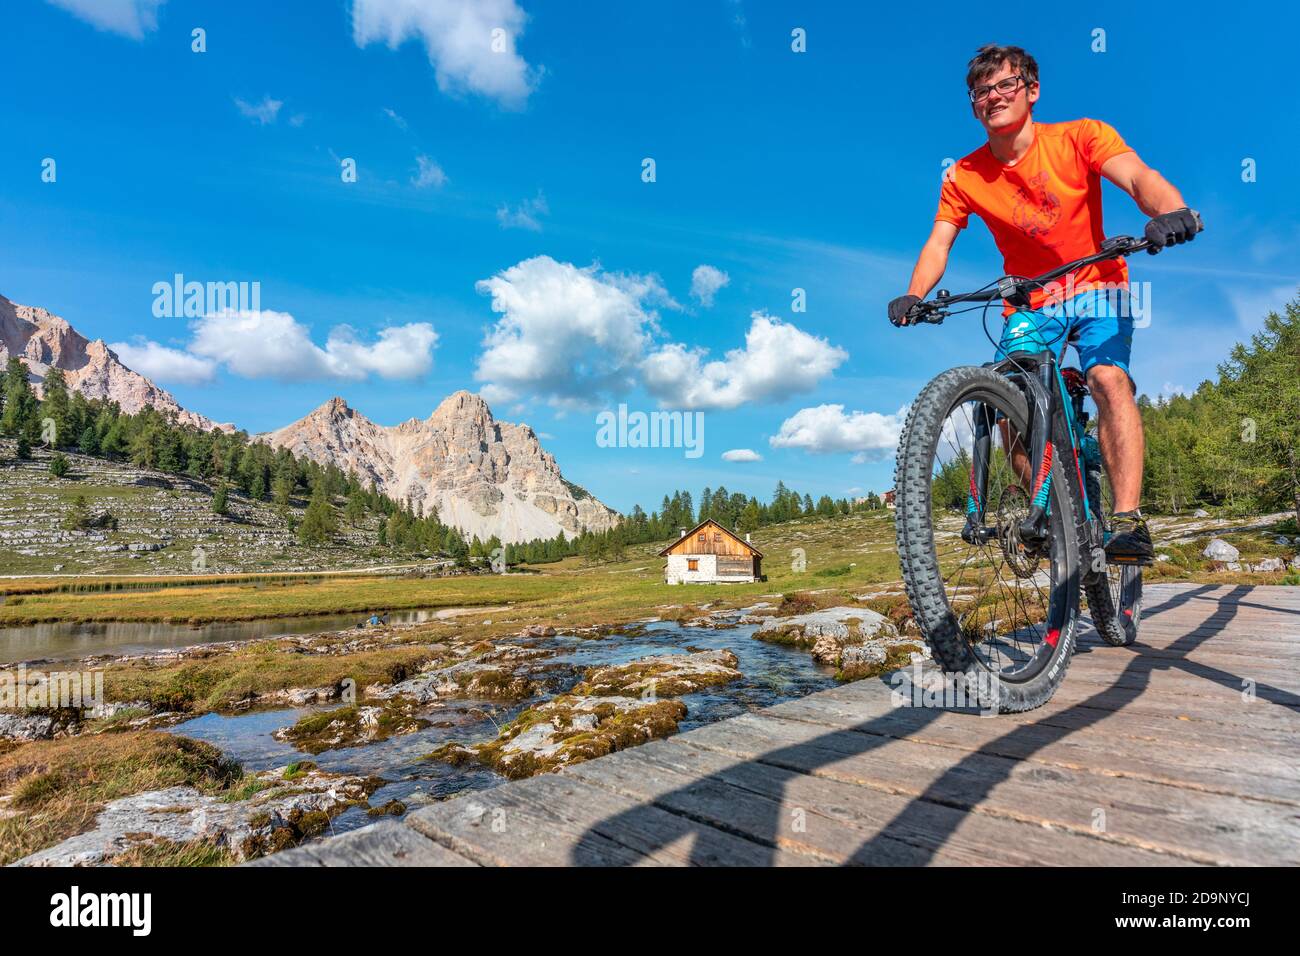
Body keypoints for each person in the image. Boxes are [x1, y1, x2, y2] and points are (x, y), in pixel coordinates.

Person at [889, 44, 1199, 560]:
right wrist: (914, 294)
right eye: (981, 91)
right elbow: (939, 241)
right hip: (1029, 302)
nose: (993, 97)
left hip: (1098, 285)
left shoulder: (1081, 137)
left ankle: (1127, 520)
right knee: (1009, 405)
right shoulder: (962, 175)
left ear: (1031, 90)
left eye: (1005, 85)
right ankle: (1054, 514)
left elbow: (1138, 178)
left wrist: (1173, 211)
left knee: (1106, 379)